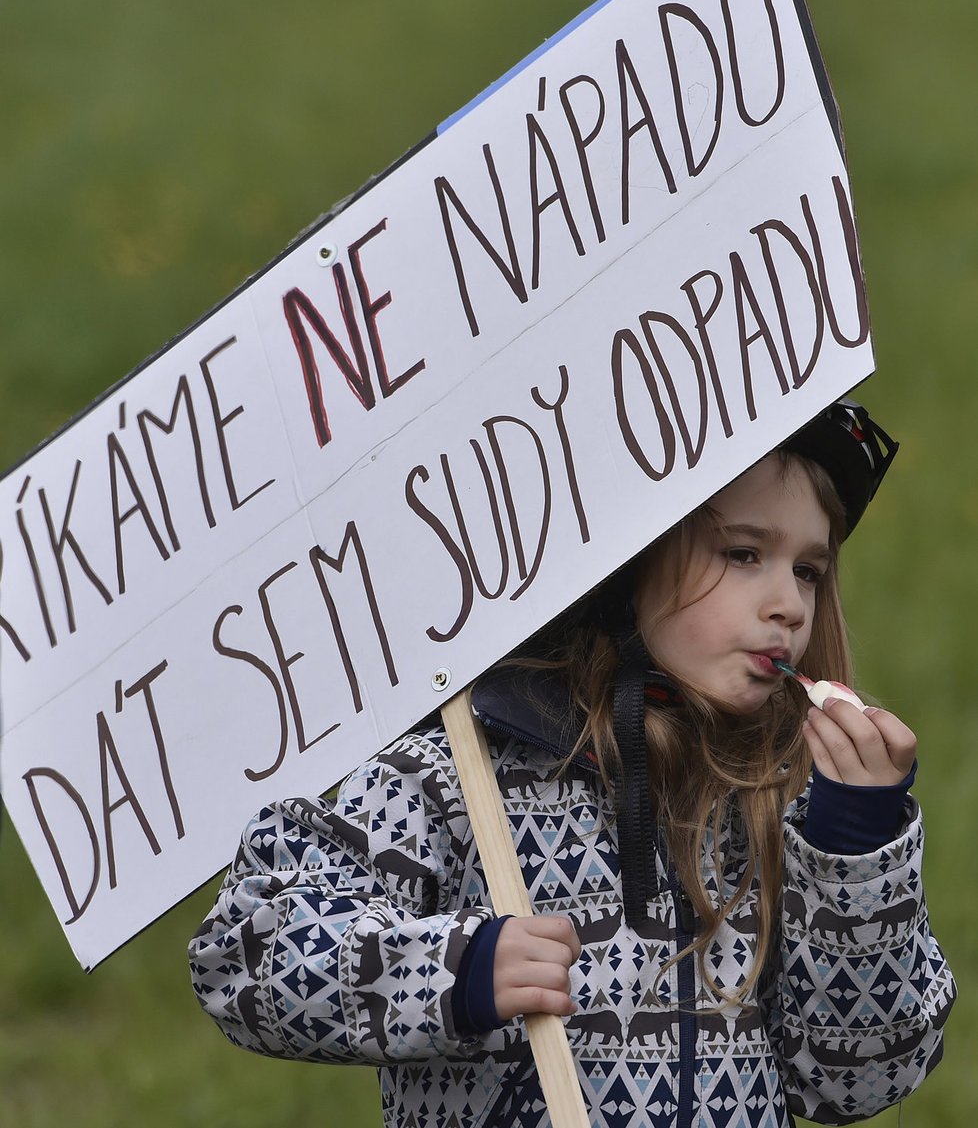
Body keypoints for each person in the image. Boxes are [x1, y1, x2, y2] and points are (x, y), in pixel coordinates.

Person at [189, 399, 955, 1127]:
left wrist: (854, 848)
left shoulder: (779, 804)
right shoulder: (457, 773)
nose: (788, 603)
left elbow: (857, 1078)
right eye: (745, 552)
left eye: (809, 571)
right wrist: (458, 973)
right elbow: (244, 951)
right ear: (631, 557)